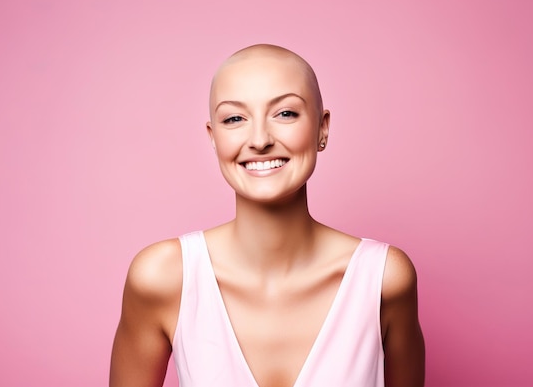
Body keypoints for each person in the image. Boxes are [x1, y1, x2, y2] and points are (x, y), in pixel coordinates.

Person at [109, 44, 425, 387]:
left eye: (286, 113)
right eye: (234, 119)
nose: (259, 139)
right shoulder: (163, 277)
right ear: (213, 138)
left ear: (323, 128)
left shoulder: (384, 278)